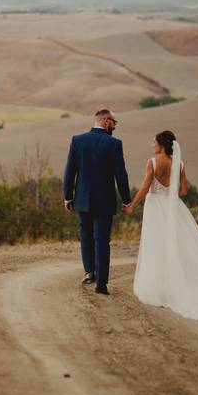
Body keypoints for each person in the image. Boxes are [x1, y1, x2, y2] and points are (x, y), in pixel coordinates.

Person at [122, 130, 198, 321]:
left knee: (156, 246)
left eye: (154, 142)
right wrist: (171, 189)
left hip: (154, 207)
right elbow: (184, 190)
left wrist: (131, 206)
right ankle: (179, 284)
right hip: (173, 207)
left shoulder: (152, 163)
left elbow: (145, 187)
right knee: (178, 245)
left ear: (161, 145)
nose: (152, 145)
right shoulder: (179, 164)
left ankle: (158, 288)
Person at [63, 108, 132, 295]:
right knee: (102, 240)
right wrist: (127, 200)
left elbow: (70, 172)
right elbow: (121, 175)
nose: (115, 127)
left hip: (83, 199)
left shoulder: (78, 141)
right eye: (114, 123)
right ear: (105, 120)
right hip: (105, 201)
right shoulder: (114, 144)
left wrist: (68, 197)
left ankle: (89, 273)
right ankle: (101, 284)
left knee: (85, 235)